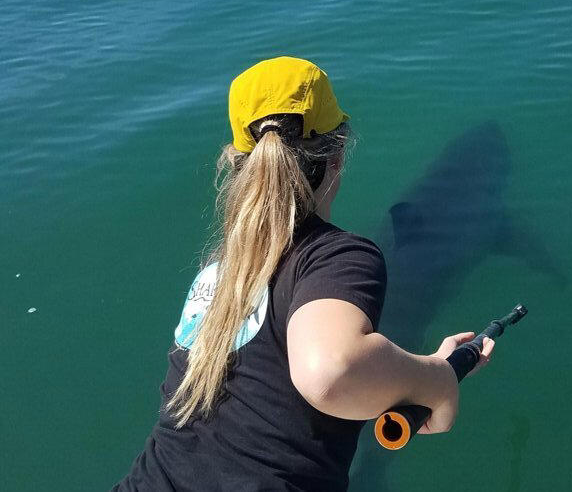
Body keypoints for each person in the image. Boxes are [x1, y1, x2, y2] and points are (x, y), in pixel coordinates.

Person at [112, 56, 495, 492]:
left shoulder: (216, 274)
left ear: (238, 166)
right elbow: (329, 369)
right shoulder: (336, 256)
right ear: (338, 154)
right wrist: (435, 377)